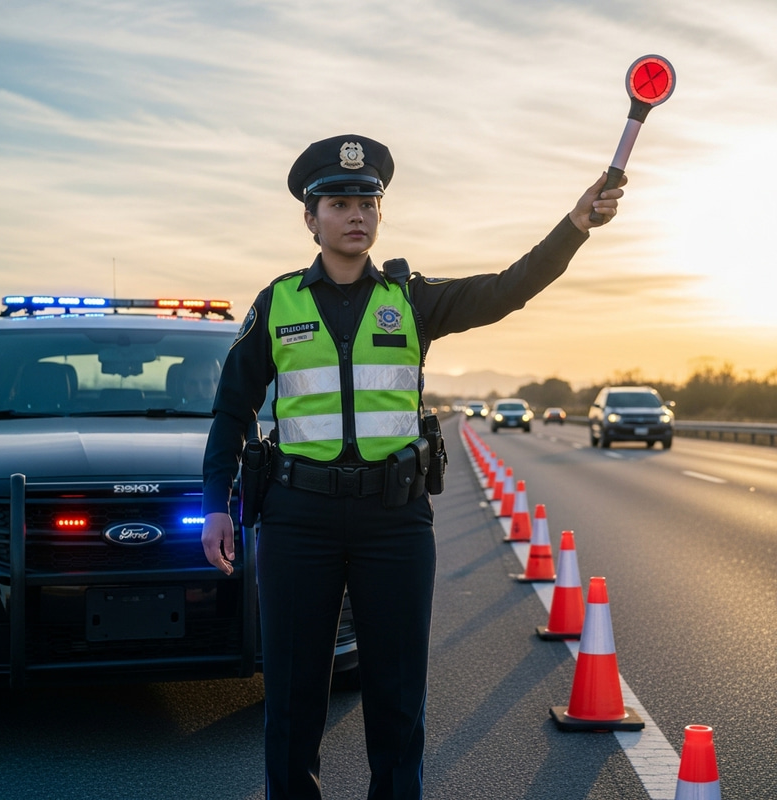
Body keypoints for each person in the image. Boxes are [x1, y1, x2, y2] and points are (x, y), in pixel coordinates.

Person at [201, 134, 625, 800]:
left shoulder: (412, 300)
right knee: (291, 700)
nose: (356, 215)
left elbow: (507, 290)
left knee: (398, 704)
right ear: (309, 218)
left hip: (393, 523)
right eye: (339, 203)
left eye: (368, 201)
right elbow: (230, 413)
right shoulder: (277, 303)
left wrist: (574, 227)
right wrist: (216, 506)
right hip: (296, 522)